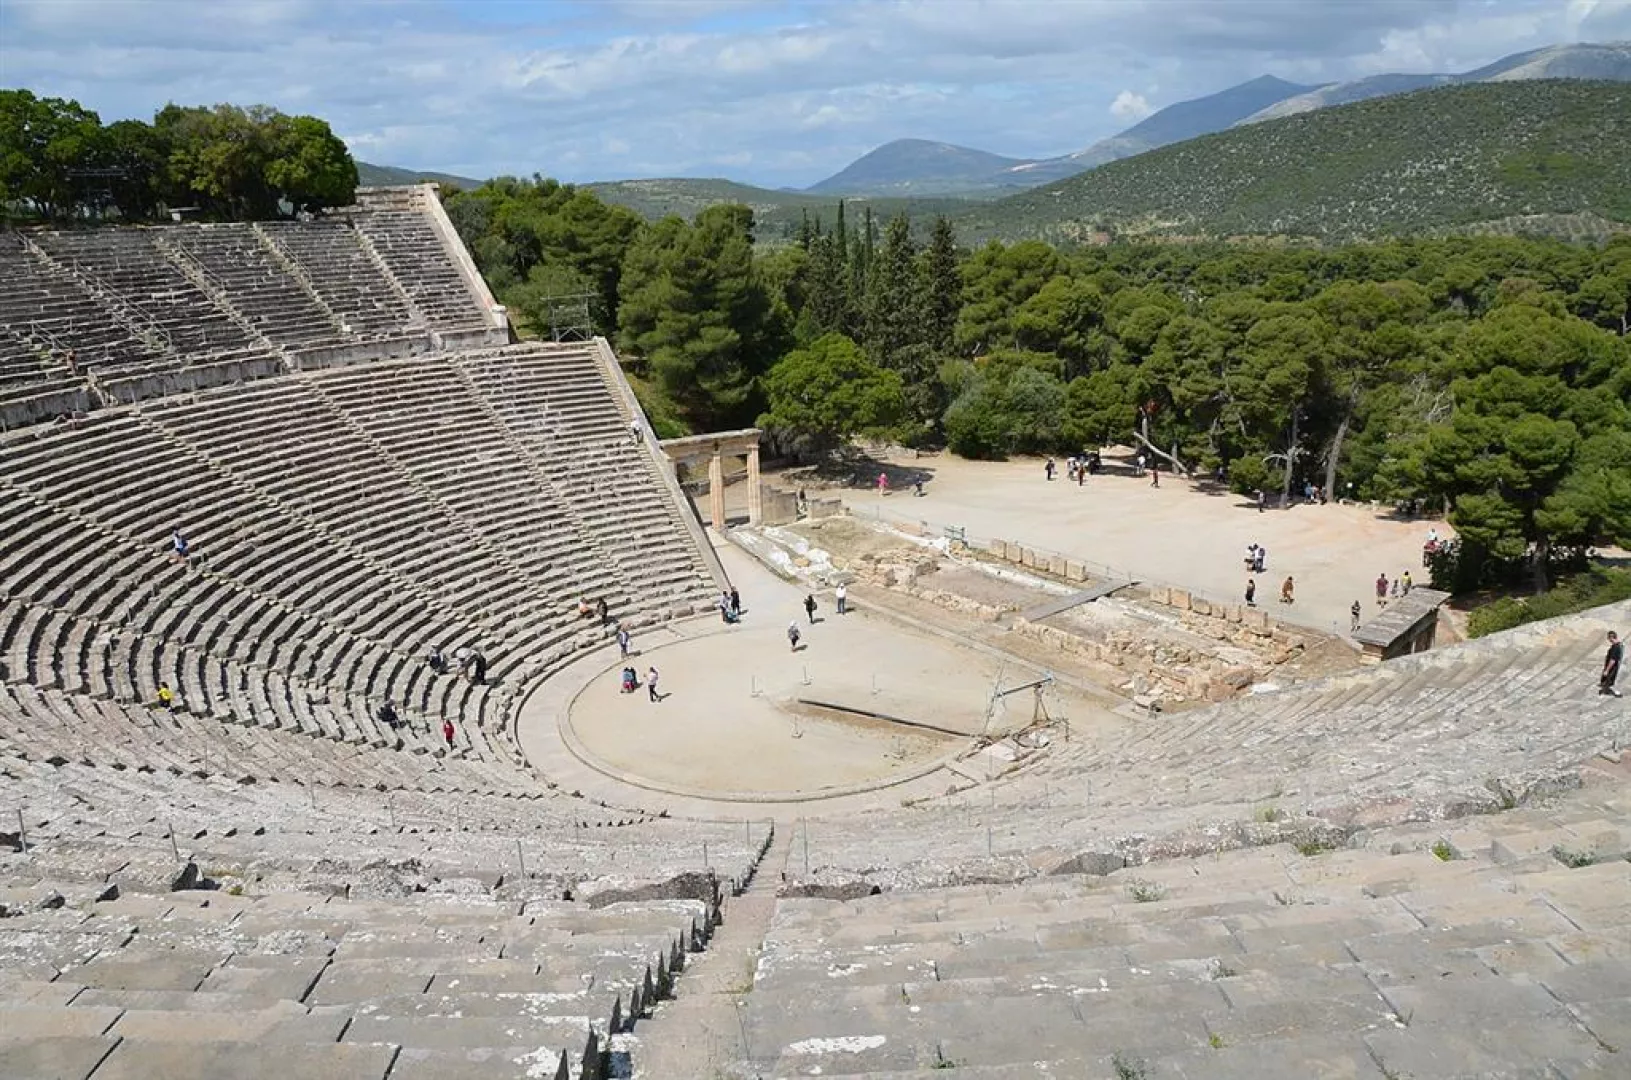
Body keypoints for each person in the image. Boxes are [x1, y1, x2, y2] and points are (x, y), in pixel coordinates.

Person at [1601, 631, 1623, 697]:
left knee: (1610, 681)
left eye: (1608, 637)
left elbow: (1612, 660)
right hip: (1614, 667)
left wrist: (1607, 670)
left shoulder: (1615, 647)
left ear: (1611, 637)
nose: (1608, 639)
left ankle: (1616, 694)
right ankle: (1607, 690)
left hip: (1613, 668)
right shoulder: (1618, 645)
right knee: (1609, 680)